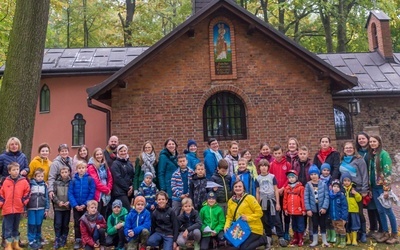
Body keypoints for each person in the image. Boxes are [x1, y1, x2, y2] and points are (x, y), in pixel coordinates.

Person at [368, 135, 398, 244]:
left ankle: (394, 234)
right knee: (380, 211)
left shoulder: (383, 154)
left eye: (374, 141)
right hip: (374, 188)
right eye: (370, 142)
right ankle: (385, 233)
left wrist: (386, 189)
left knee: (388, 211)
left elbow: (387, 172)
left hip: (382, 187)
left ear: (379, 142)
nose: (372, 143)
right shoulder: (372, 154)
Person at [224, 180, 268, 250]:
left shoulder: (249, 198)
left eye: (240, 186)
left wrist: (248, 218)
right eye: (236, 187)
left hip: (254, 228)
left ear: (243, 188)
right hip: (240, 229)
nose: (238, 188)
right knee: (234, 245)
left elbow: (259, 212)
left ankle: (263, 240)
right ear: (233, 189)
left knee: (244, 248)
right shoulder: (231, 201)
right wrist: (226, 226)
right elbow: (229, 216)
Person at [340, 141, 369, 242]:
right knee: (348, 213)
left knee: (359, 213)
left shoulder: (359, 160)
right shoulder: (342, 160)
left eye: (350, 148)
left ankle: (363, 233)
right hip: (345, 190)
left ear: (354, 149)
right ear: (343, 150)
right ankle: (352, 234)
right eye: (346, 148)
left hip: (357, 190)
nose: (348, 149)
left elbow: (365, 175)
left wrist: (365, 189)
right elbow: (341, 176)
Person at [356, 132, 382, 238]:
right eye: (359, 139)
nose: (361, 141)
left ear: (367, 139)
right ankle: (372, 228)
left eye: (363, 138)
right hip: (362, 182)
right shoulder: (357, 152)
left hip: (372, 182)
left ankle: (381, 229)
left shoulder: (371, 152)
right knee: (369, 207)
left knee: (376, 206)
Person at [256, 159, 286, 248]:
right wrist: (258, 204)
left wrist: (277, 203)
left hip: (272, 200)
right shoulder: (257, 178)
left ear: (268, 167)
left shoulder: (272, 177)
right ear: (259, 168)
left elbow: (276, 190)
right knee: (265, 219)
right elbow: (257, 192)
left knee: (276, 219)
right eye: (262, 166)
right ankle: (268, 236)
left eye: (265, 166)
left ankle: (281, 236)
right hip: (263, 200)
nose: (263, 167)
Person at [0, 162, 30, 250]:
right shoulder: (5, 181)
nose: (16, 171)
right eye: (13, 170)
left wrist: (23, 202)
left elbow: (27, 192)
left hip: (18, 208)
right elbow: (1, 194)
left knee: (15, 227)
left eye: (17, 169)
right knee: (8, 228)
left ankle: (15, 244)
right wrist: (2, 203)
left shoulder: (24, 181)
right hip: (7, 209)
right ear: (9, 171)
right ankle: (8, 245)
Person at [68, 161, 96, 249]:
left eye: (83, 168)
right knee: (77, 223)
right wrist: (75, 205)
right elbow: (70, 193)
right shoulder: (73, 180)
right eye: (79, 168)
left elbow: (92, 192)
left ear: (86, 169)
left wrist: (85, 204)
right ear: (76, 169)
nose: (81, 170)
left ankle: (86, 239)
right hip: (76, 206)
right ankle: (78, 239)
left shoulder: (90, 179)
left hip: (85, 206)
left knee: (86, 223)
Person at [269, 145, 291, 241]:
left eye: (279, 153)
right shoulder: (271, 165)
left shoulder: (287, 164)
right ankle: (280, 232)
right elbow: (270, 178)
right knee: (278, 213)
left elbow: (289, 178)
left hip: (285, 192)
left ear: (282, 153)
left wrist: (283, 188)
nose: (278, 155)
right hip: (275, 193)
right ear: (273, 154)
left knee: (286, 212)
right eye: (276, 154)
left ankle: (286, 232)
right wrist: (276, 189)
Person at [304, 165, 329, 247]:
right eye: (311, 174)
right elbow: (306, 198)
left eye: (315, 174)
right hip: (313, 209)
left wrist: (324, 207)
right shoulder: (308, 185)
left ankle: (324, 240)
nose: (313, 176)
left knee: (323, 224)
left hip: (322, 208)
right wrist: (308, 209)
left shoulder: (323, 184)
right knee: (314, 225)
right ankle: (315, 240)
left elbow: (326, 196)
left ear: (318, 174)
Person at [27, 168, 49, 250]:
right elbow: (27, 196)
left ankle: (37, 239)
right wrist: (26, 208)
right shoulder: (31, 185)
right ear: (35, 177)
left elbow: (46, 198)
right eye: (38, 176)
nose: (40, 178)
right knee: (32, 224)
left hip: (41, 208)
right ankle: (31, 240)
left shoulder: (44, 186)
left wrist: (46, 209)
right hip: (31, 208)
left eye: (42, 176)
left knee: (38, 224)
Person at [87, 147, 113, 218]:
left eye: (100, 154)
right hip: (97, 194)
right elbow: (96, 181)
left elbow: (110, 178)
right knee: (97, 215)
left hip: (106, 194)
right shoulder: (91, 167)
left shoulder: (105, 165)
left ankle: (103, 228)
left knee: (104, 215)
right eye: (97, 154)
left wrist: (109, 188)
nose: (99, 156)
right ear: (94, 156)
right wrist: (106, 190)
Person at [283, 170, 305, 247]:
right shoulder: (287, 188)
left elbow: (303, 198)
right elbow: (285, 199)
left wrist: (303, 209)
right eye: (289, 178)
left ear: (296, 178)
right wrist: (285, 209)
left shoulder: (301, 188)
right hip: (291, 211)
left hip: (299, 211)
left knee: (300, 224)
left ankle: (301, 239)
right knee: (294, 224)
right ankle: (295, 238)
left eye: (293, 177)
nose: (291, 179)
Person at [111, 144, 135, 211]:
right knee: (127, 210)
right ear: (118, 152)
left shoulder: (129, 163)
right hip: (120, 192)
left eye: (124, 151)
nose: (123, 152)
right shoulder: (115, 164)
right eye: (121, 151)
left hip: (130, 191)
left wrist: (132, 186)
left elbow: (133, 176)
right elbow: (117, 178)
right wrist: (127, 188)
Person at [52, 166, 71, 249]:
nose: (64, 174)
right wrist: (58, 202)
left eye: (66, 172)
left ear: (69, 172)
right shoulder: (56, 183)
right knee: (58, 223)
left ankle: (64, 237)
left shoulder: (71, 182)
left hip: (67, 207)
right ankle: (57, 238)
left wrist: (69, 202)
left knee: (65, 224)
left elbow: (73, 193)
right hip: (58, 207)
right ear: (60, 173)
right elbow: (53, 195)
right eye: (62, 172)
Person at [341, 172, 361, 246]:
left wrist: (356, 193)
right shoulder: (342, 190)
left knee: (354, 224)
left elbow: (359, 199)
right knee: (347, 225)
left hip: (353, 210)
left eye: (348, 181)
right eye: (345, 181)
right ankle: (348, 239)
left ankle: (354, 239)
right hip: (345, 211)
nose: (346, 182)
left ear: (351, 181)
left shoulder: (353, 189)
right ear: (342, 181)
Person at [328, 180, 348, 248]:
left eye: (337, 187)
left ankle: (343, 241)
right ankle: (338, 240)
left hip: (340, 217)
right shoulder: (330, 195)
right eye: (334, 186)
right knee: (336, 228)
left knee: (341, 229)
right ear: (332, 187)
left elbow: (344, 207)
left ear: (340, 188)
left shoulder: (341, 196)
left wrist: (344, 217)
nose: (336, 188)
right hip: (333, 216)